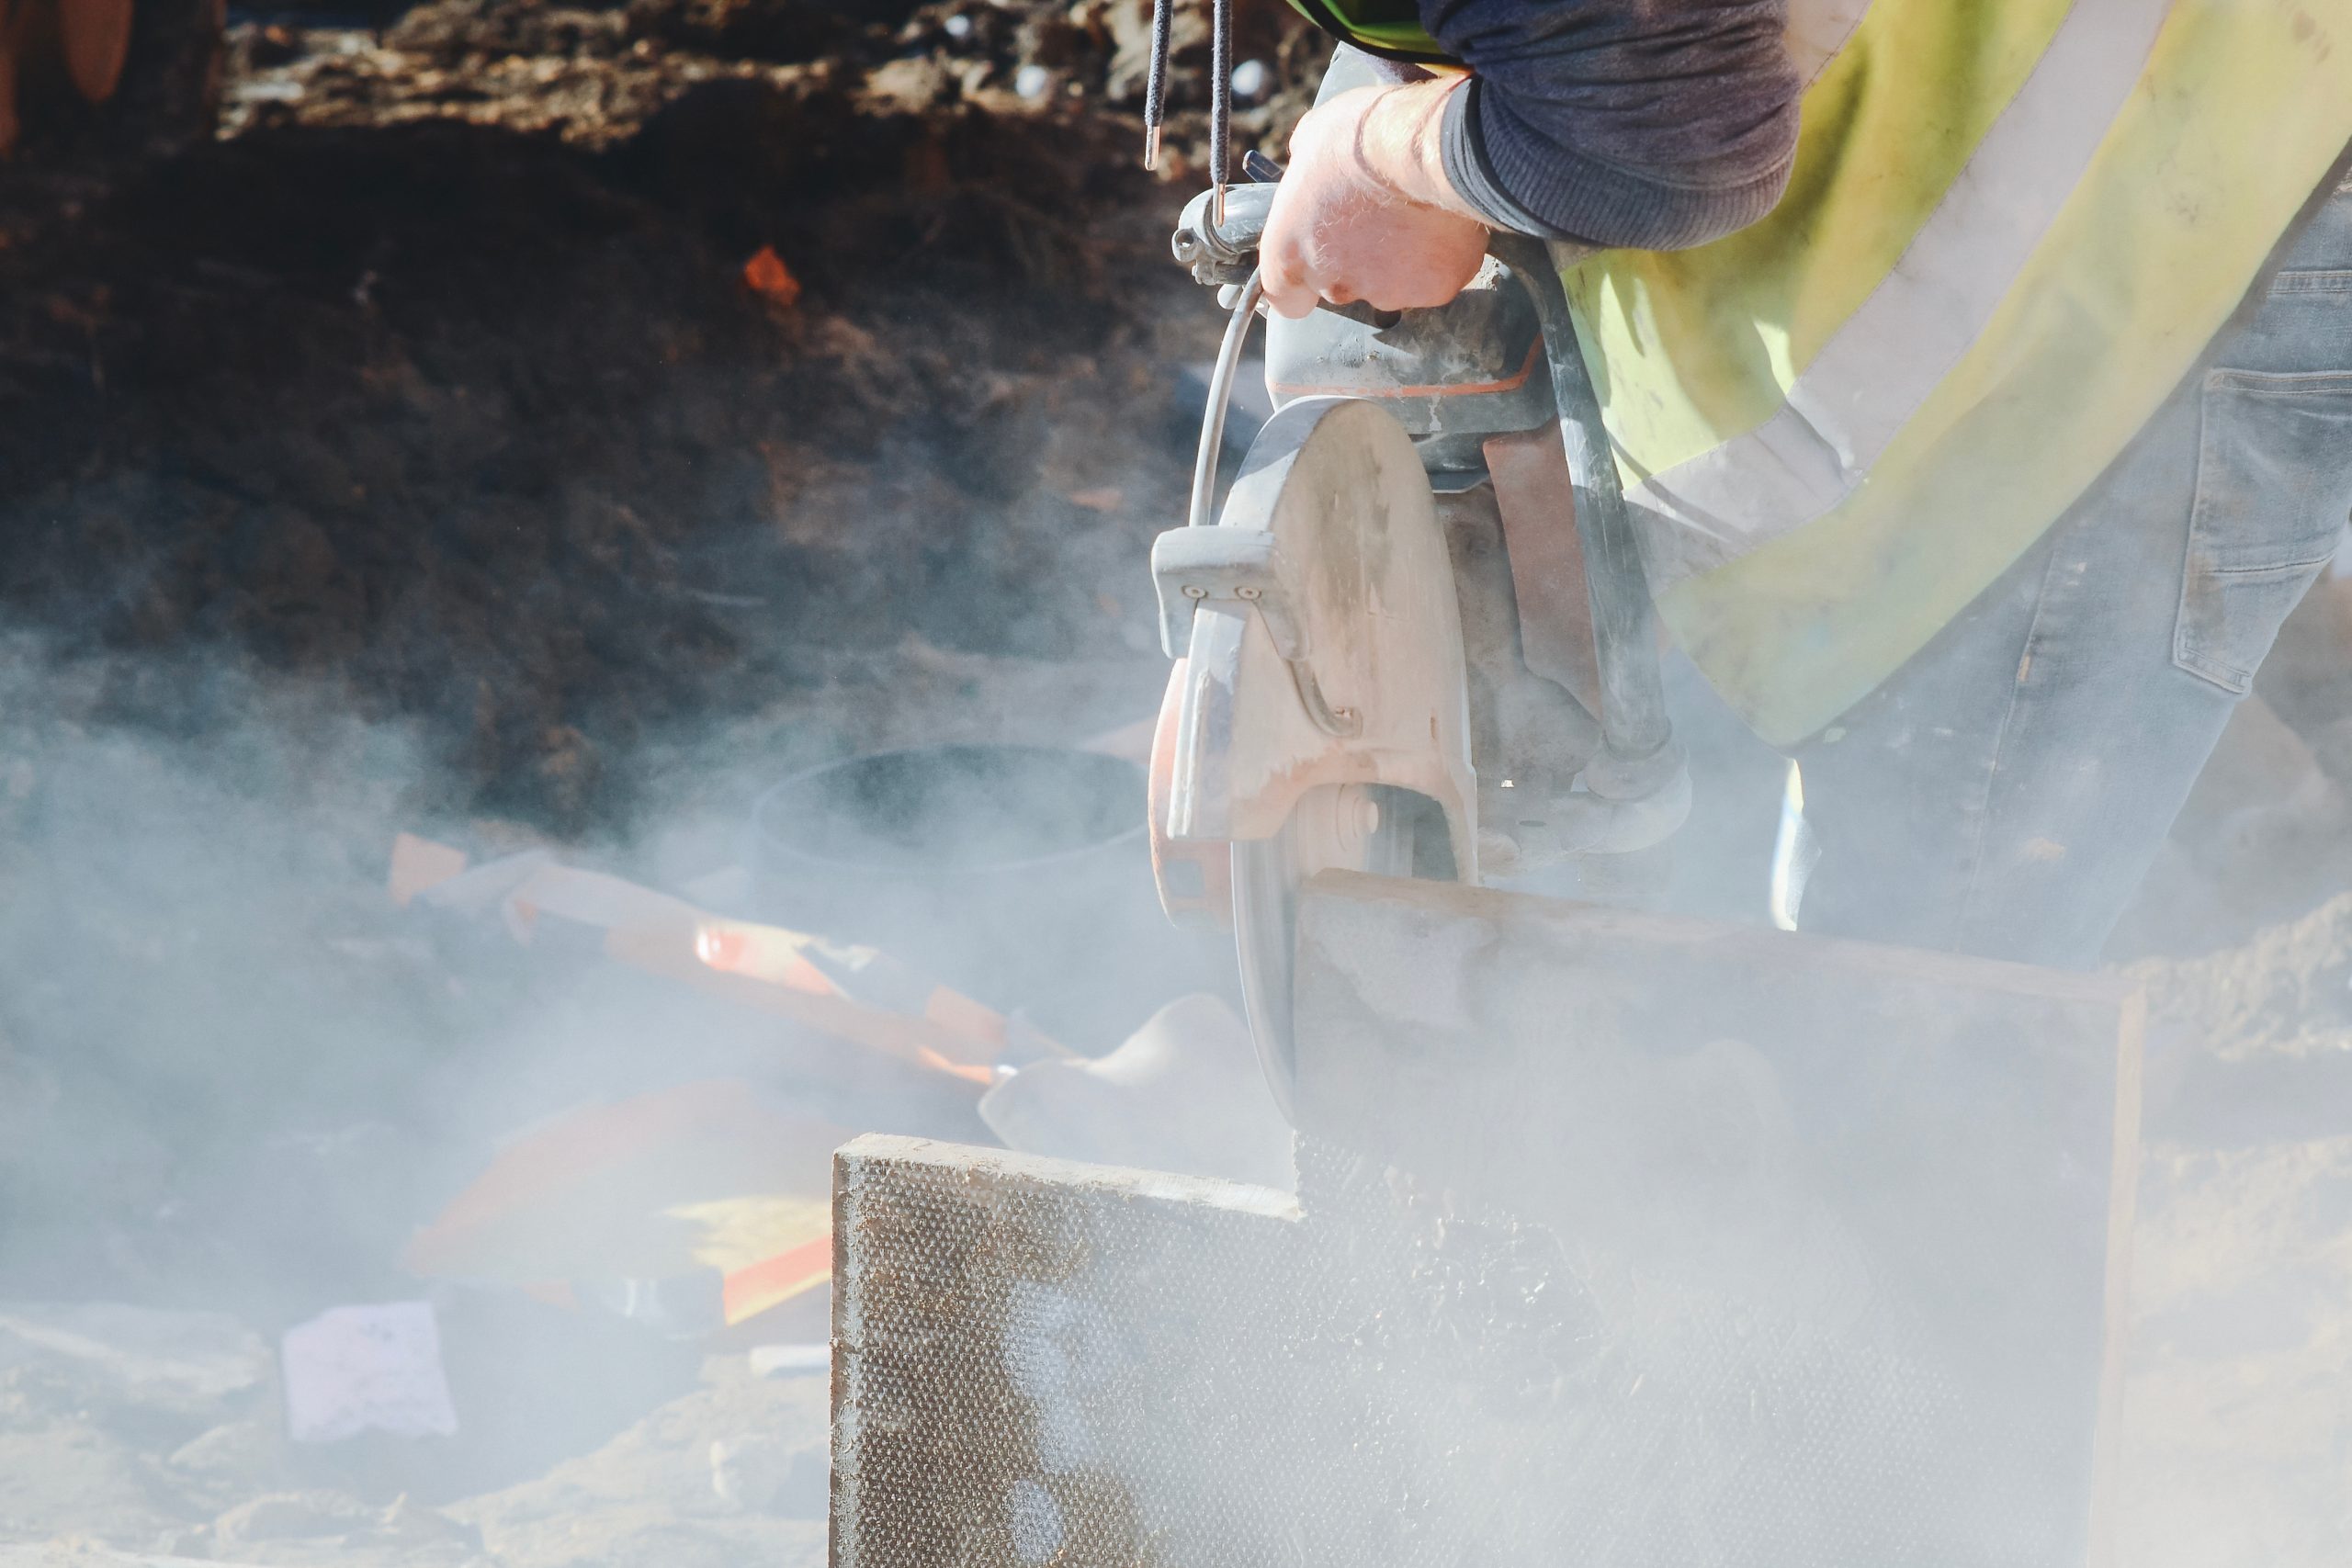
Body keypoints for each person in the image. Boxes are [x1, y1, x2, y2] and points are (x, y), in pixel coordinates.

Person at [1254, 0, 2352, 967]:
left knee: (1911, 999)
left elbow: (1670, 139)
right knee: (1859, 903)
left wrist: (1388, 156)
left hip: (2167, 212)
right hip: (2081, 171)